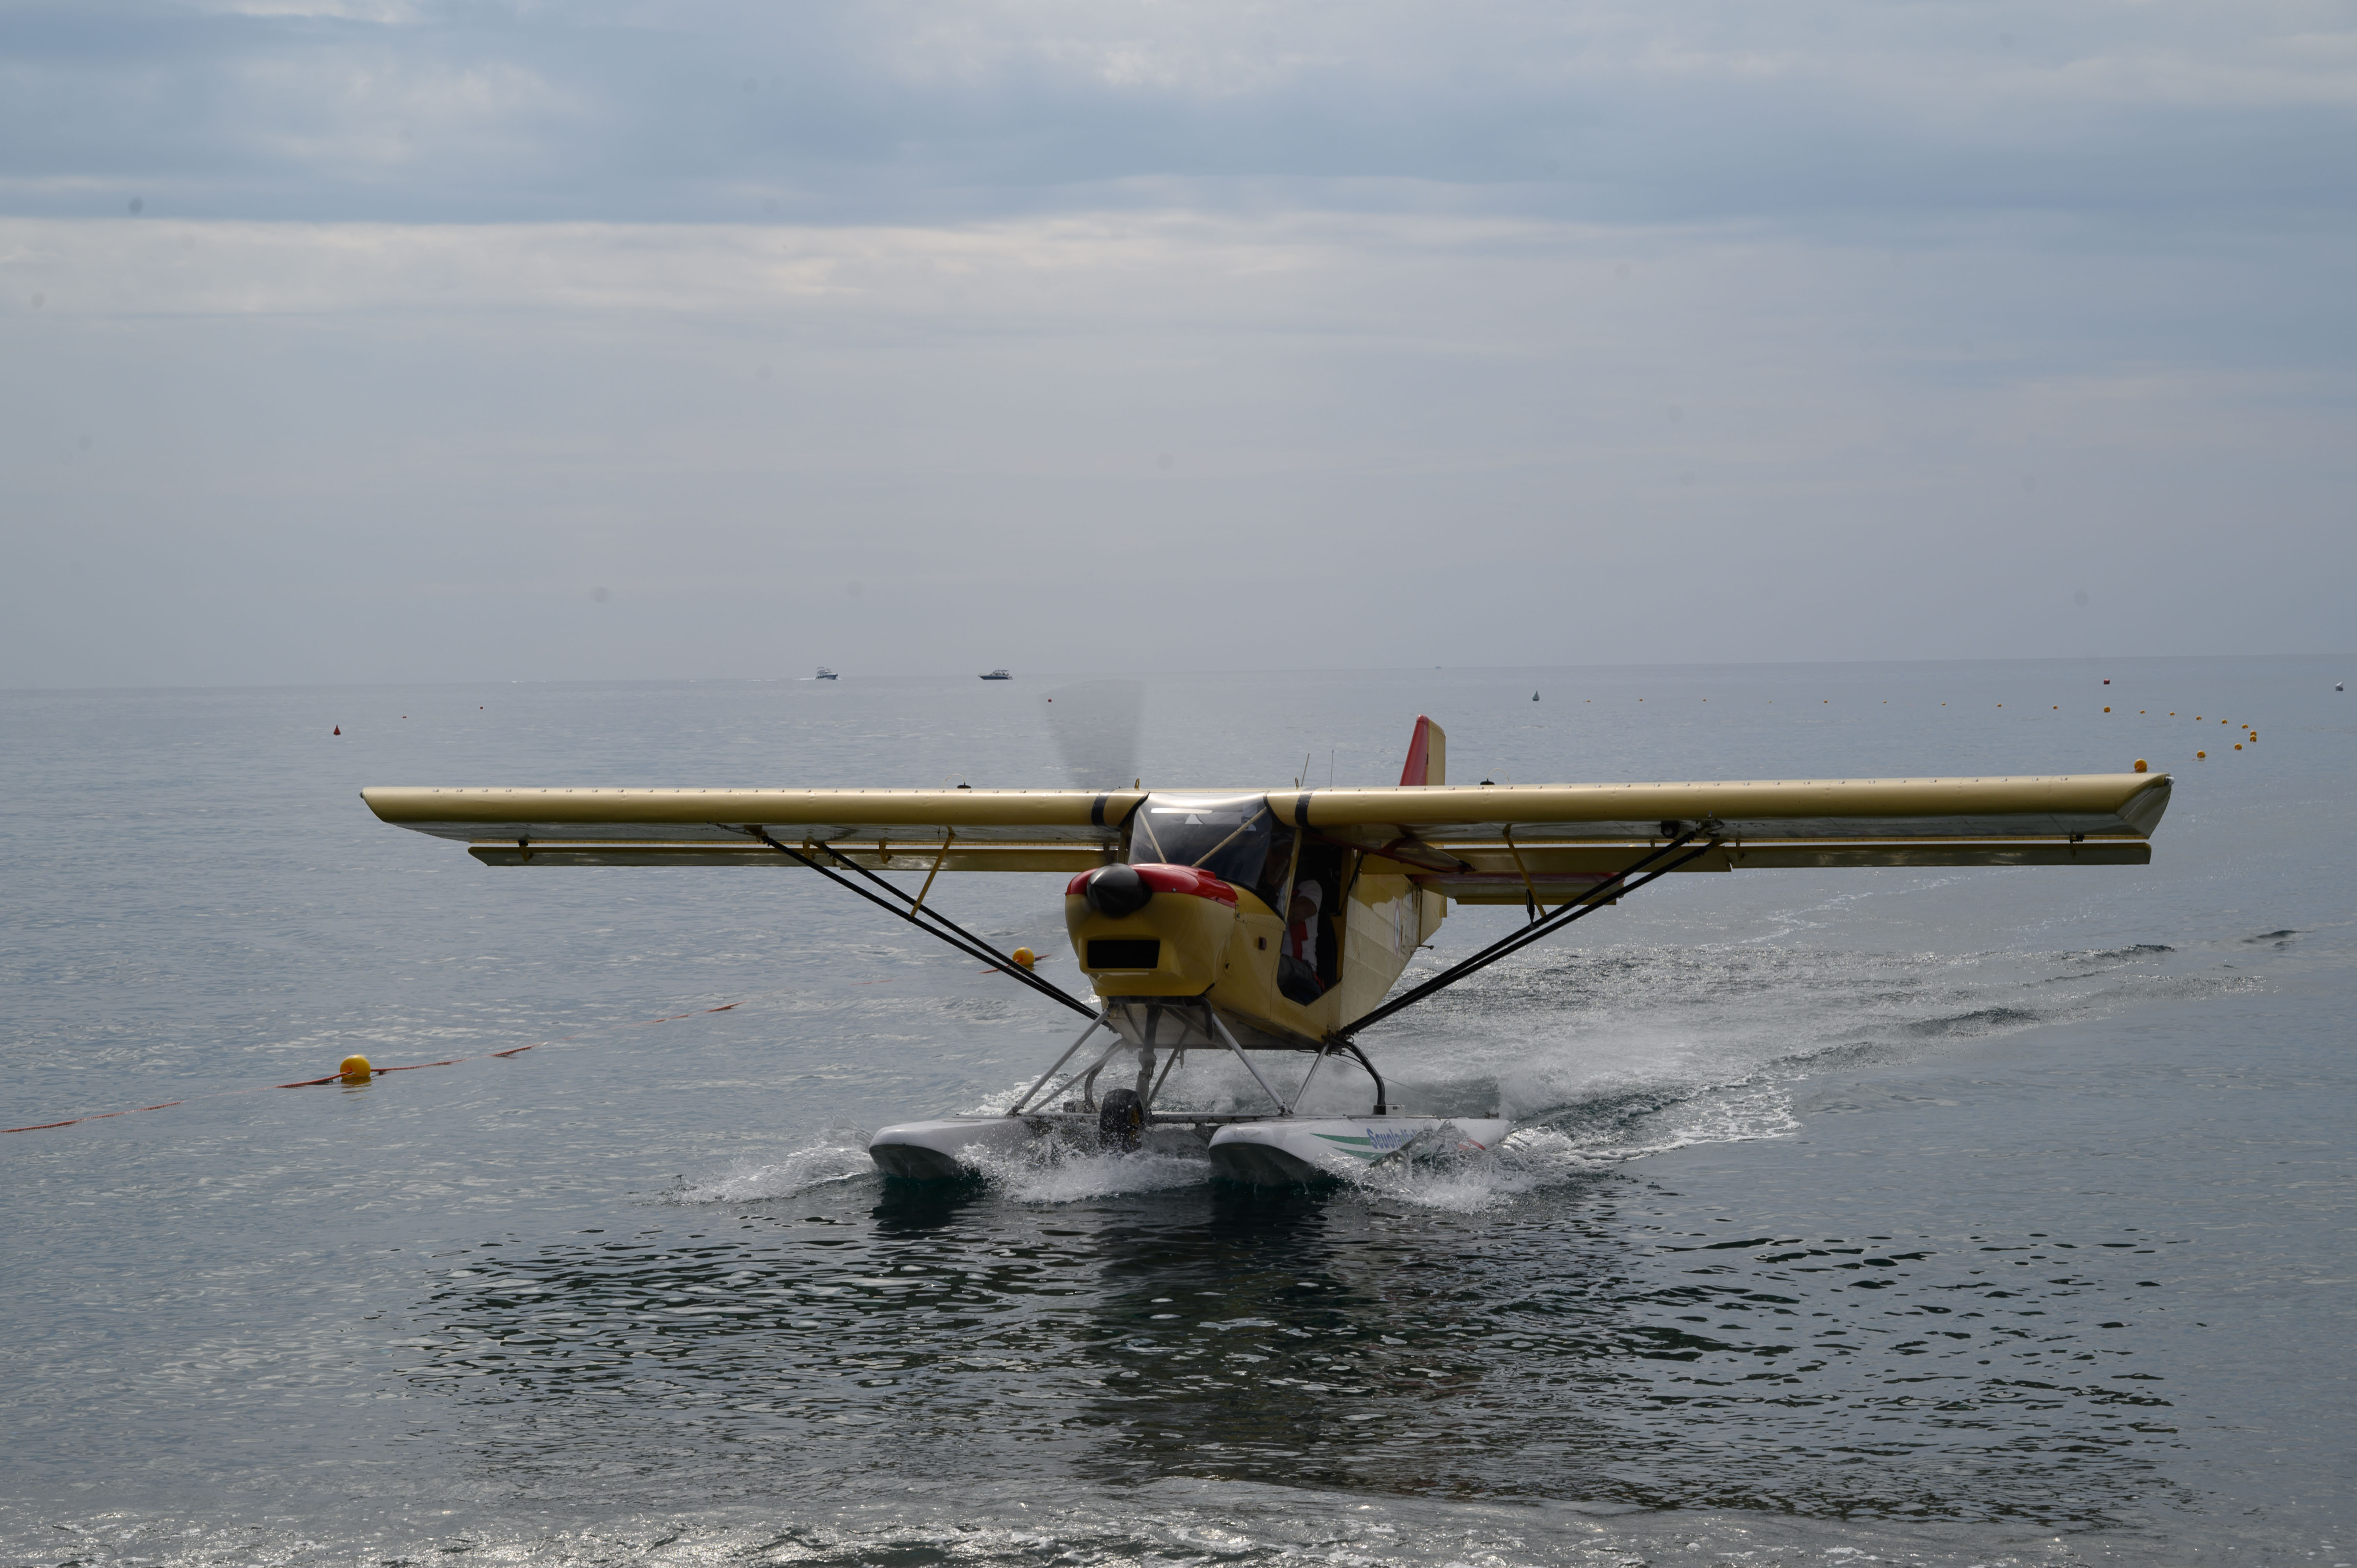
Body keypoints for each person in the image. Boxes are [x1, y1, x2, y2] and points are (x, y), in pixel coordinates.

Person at [1277, 879, 1325, 1004]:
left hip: (1303, 967)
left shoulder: (1311, 887)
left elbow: (1299, 912)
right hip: (1273, 957)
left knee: (1272, 966)